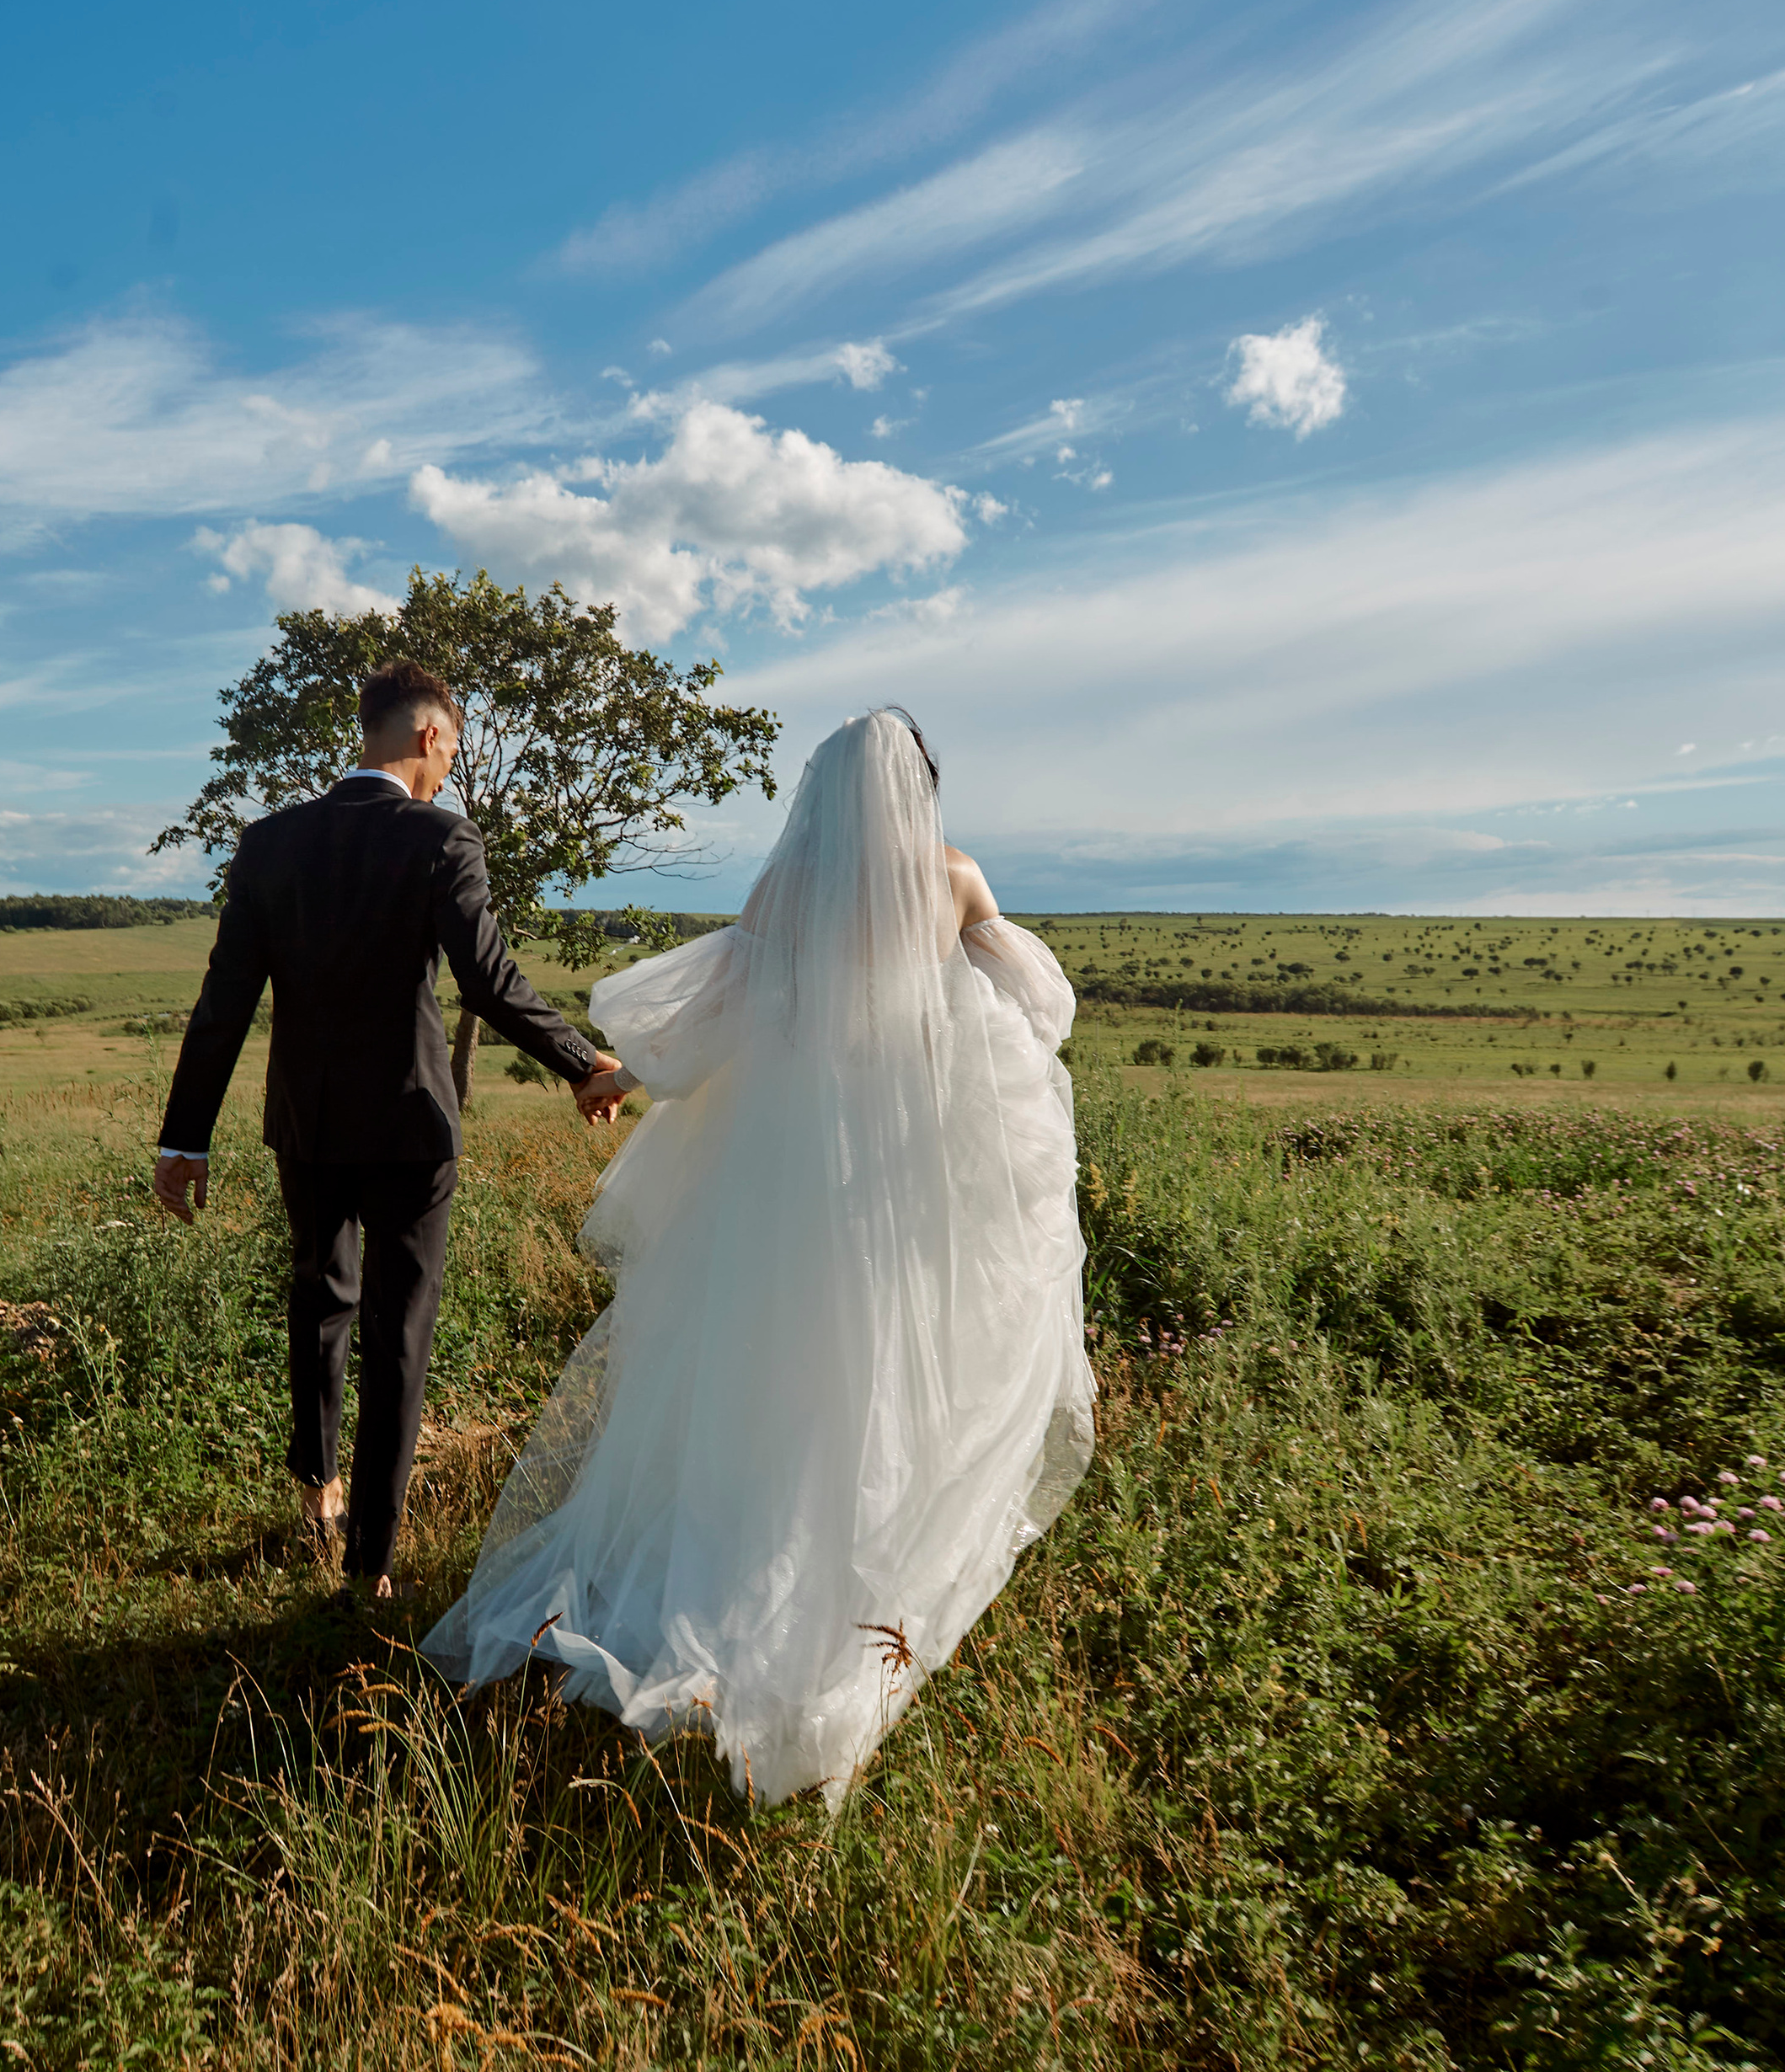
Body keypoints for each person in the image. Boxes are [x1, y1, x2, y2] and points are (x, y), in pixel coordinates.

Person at [422, 707, 1094, 1809]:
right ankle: (841, 1613)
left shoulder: (785, 896)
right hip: (897, 1185)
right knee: (875, 1380)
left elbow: (710, 1024)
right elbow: (1036, 1012)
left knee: (767, 1381)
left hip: (785, 1177)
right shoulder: (957, 880)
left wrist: (615, 1075)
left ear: (822, 798)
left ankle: (725, 1592)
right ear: (916, 791)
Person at [152, 658, 629, 1601]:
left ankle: (316, 1490)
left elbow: (224, 1003)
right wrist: (586, 1064)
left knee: (318, 1299)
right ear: (428, 737)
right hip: (411, 1128)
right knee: (398, 1330)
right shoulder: (439, 840)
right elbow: (490, 983)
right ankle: (369, 1563)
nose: (450, 767)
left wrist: (184, 1141)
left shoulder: (270, 843)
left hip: (306, 1121)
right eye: (451, 748)